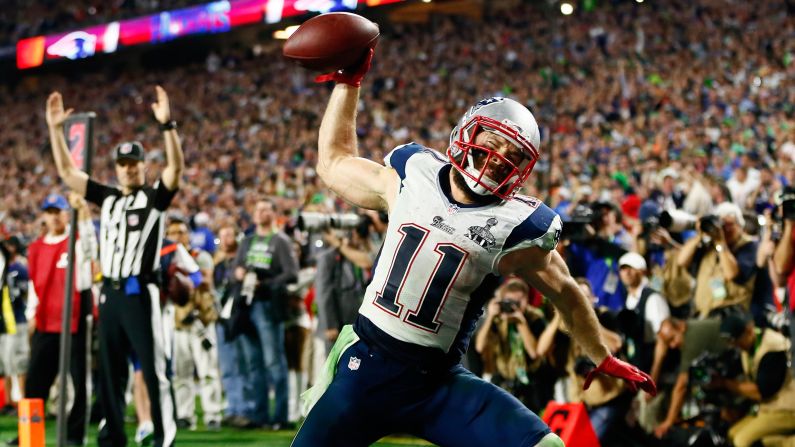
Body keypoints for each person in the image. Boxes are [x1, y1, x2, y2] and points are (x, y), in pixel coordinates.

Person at [292, 50, 655, 447]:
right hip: (368, 368)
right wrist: (348, 84)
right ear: (468, 131)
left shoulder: (518, 226)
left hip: (438, 384)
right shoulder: (412, 173)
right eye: (494, 141)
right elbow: (334, 162)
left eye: (514, 154)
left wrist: (600, 353)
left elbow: (566, 292)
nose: (500, 158)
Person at [46, 86, 183, 447]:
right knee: (110, 370)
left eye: (133, 164)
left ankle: (163, 435)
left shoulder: (153, 198)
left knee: (153, 369)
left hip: (141, 290)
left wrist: (167, 125)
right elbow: (66, 171)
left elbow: (175, 170)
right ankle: (113, 436)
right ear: (117, 168)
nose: (127, 170)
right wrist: (55, 130)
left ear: (142, 165)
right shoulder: (106, 197)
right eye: (122, 165)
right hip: (109, 291)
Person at [7, 193, 96, 446]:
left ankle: (74, 435)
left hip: (75, 322)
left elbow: (90, 255)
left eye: (59, 211)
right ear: (44, 215)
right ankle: (28, 433)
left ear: (67, 214)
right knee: (35, 382)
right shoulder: (35, 249)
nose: (55, 216)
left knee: (78, 382)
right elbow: (34, 287)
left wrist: (86, 218)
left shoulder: (76, 241)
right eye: (50, 211)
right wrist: (32, 315)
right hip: (46, 322)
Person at [233, 198, 298, 429]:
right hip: (246, 306)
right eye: (257, 209)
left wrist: (266, 282)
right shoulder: (247, 241)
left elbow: (292, 274)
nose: (260, 212)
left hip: (268, 305)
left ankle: (280, 416)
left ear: (273, 213)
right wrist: (239, 273)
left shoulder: (281, 241)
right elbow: (235, 270)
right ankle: (259, 415)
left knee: (274, 362)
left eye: (265, 209)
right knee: (253, 363)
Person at [166, 219, 222, 431]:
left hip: (201, 319)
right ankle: (184, 415)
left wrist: (183, 273)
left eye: (181, 232)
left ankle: (212, 414)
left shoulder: (201, 256)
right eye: (172, 233)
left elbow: (205, 282)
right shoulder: (167, 258)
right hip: (179, 321)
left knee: (207, 370)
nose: (177, 236)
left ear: (188, 235)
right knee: (181, 372)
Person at [718, 313, 795, 447]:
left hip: (787, 409)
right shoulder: (747, 347)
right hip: (767, 408)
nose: (736, 346)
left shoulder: (773, 347)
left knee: (741, 442)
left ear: (748, 331)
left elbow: (762, 391)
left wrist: (725, 383)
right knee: (731, 434)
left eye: (737, 341)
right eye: (732, 343)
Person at [677, 202, 758, 319]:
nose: (725, 230)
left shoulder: (749, 246)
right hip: (704, 314)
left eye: (729, 225)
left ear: (740, 226)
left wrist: (721, 242)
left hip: (731, 318)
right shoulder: (710, 245)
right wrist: (700, 234)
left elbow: (731, 274)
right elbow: (681, 261)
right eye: (721, 225)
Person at [616, 252, 670, 373]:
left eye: (631, 268)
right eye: (623, 269)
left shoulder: (653, 298)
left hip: (652, 365)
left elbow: (663, 341)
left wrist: (654, 375)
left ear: (642, 271)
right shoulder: (627, 299)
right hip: (637, 366)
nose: (627, 272)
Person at [0, 236, 29, 414]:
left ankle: (23, 401)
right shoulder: (4, 270)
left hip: (16, 321)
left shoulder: (19, 268)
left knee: (19, 364)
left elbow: (24, 294)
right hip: (3, 324)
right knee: (5, 365)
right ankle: (9, 401)